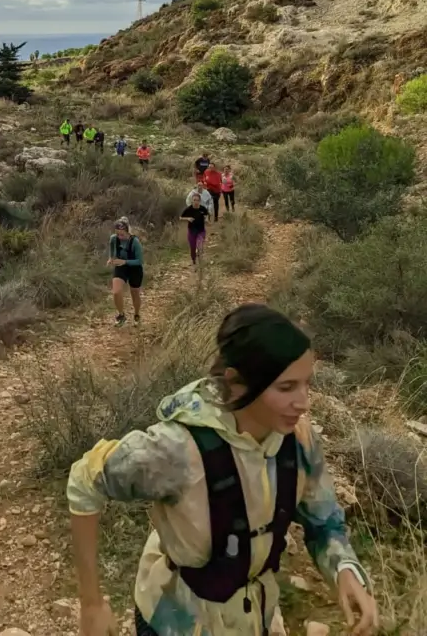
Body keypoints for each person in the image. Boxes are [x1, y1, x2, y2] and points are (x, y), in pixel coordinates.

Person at [68, 303, 378, 636]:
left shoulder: (297, 441)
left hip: (254, 617)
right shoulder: (176, 449)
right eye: (286, 388)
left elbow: (323, 519)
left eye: (306, 384)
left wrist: (345, 569)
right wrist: (92, 603)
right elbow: (85, 479)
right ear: (236, 383)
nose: (303, 403)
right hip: (174, 622)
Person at [107, 218, 143, 326]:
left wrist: (125, 261)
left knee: (135, 293)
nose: (119, 237)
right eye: (117, 234)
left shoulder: (135, 242)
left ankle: (136, 314)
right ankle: (121, 315)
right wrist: (110, 259)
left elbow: (140, 261)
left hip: (134, 268)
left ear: (128, 231)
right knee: (116, 291)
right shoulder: (113, 239)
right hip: (120, 266)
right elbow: (112, 251)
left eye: (122, 234)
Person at [180, 193, 208, 267]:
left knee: (200, 246)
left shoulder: (203, 208)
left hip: (201, 231)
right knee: (193, 248)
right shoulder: (188, 209)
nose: (196, 202)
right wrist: (188, 218)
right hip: (191, 231)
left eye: (197, 200)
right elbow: (180, 217)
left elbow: (206, 216)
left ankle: (200, 259)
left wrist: (206, 219)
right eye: (194, 200)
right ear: (192, 200)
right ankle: (194, 261)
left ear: (200, 201)